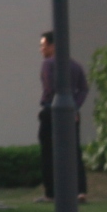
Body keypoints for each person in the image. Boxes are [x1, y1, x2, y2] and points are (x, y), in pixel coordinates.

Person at [38, 32, 88, 202]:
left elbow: (50, 87)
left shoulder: (48, 64)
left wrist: (56, 103)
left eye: (43, 46)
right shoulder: (75, 66)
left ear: (53, 46)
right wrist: (74, 107)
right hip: (72, 114)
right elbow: (83, 89)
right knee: (74, 151)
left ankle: (50, 193)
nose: (41, 49)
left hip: (51, 111)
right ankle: (80, 190)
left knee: (48, 152)